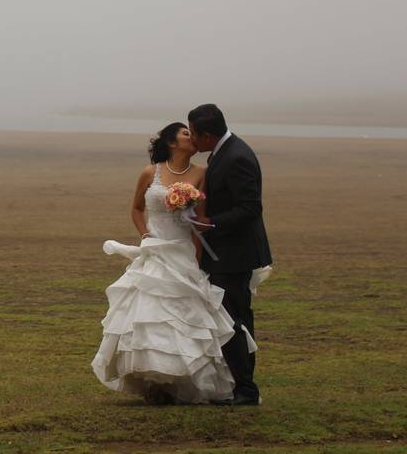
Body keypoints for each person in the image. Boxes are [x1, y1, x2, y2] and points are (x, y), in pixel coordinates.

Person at [91, 122, 248, 405]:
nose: (192, 136)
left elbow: (200, 220)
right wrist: (146, 234)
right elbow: (137, 208)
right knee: (149, 312)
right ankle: (154, 381)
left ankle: (183, 380)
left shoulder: (202, 173)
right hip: (155, 249)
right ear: (171, 142)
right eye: (186, 133)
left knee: (184, 316)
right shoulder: (150, 172)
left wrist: (197, 259)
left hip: (182, 250)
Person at [187, 104, 272, 406]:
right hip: (226, 253)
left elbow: (251, 208)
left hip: (235, 255)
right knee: (231, 319)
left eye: (194, 135)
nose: (192, 141)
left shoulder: (237, 157)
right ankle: (240, 386)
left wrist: (213, 222)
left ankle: (246, 390)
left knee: (233, 321)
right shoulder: (224, 152)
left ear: (207, 135)